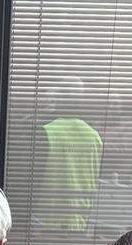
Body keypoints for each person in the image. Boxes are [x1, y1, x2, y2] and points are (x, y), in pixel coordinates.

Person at [36, 81, 103, 233]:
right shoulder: (94, 137)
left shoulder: (46, 132)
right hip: (81, 222)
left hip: (47, 221)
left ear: (59, 100)